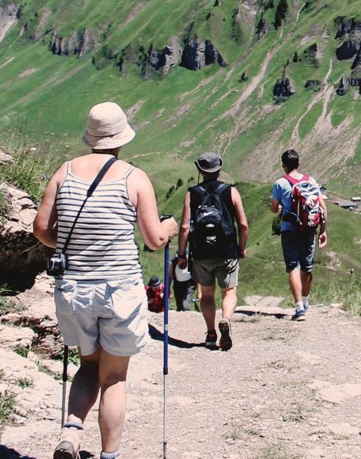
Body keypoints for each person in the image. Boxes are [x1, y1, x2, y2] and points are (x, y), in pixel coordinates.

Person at [33, 101, 178, 459]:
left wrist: (72, 243)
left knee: (88, 365)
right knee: (113, 377)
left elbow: (41, 229)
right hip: (118, 290)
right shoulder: (133, 177)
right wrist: (170, 228)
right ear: (121, 138)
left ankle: (70, 432)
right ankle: (109, 455)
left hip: (74, 289)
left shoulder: (64, 172)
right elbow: (154, 240)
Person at [176, 152, 248, 350]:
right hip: (227, 251)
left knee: (207, 295)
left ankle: (210, 333)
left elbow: (184, 227)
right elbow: (243, 224)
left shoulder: (192, 193)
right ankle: (226, 319)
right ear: (219, 169)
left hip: (201, 252)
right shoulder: (231, 191)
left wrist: (182, 254)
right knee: (229, 291)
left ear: (200, 170)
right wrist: (241, 248)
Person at [269, 149, 327, 321]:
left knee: (293, 266)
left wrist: (281, 206)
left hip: (289, 229)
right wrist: (323, 231)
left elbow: (274, 209)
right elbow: (323, 208)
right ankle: (306, 302)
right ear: (299, 163)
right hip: (309, 229)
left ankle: (299, 308)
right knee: (306, 267)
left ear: (283, 165)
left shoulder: (280, 183)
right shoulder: (311, 181)